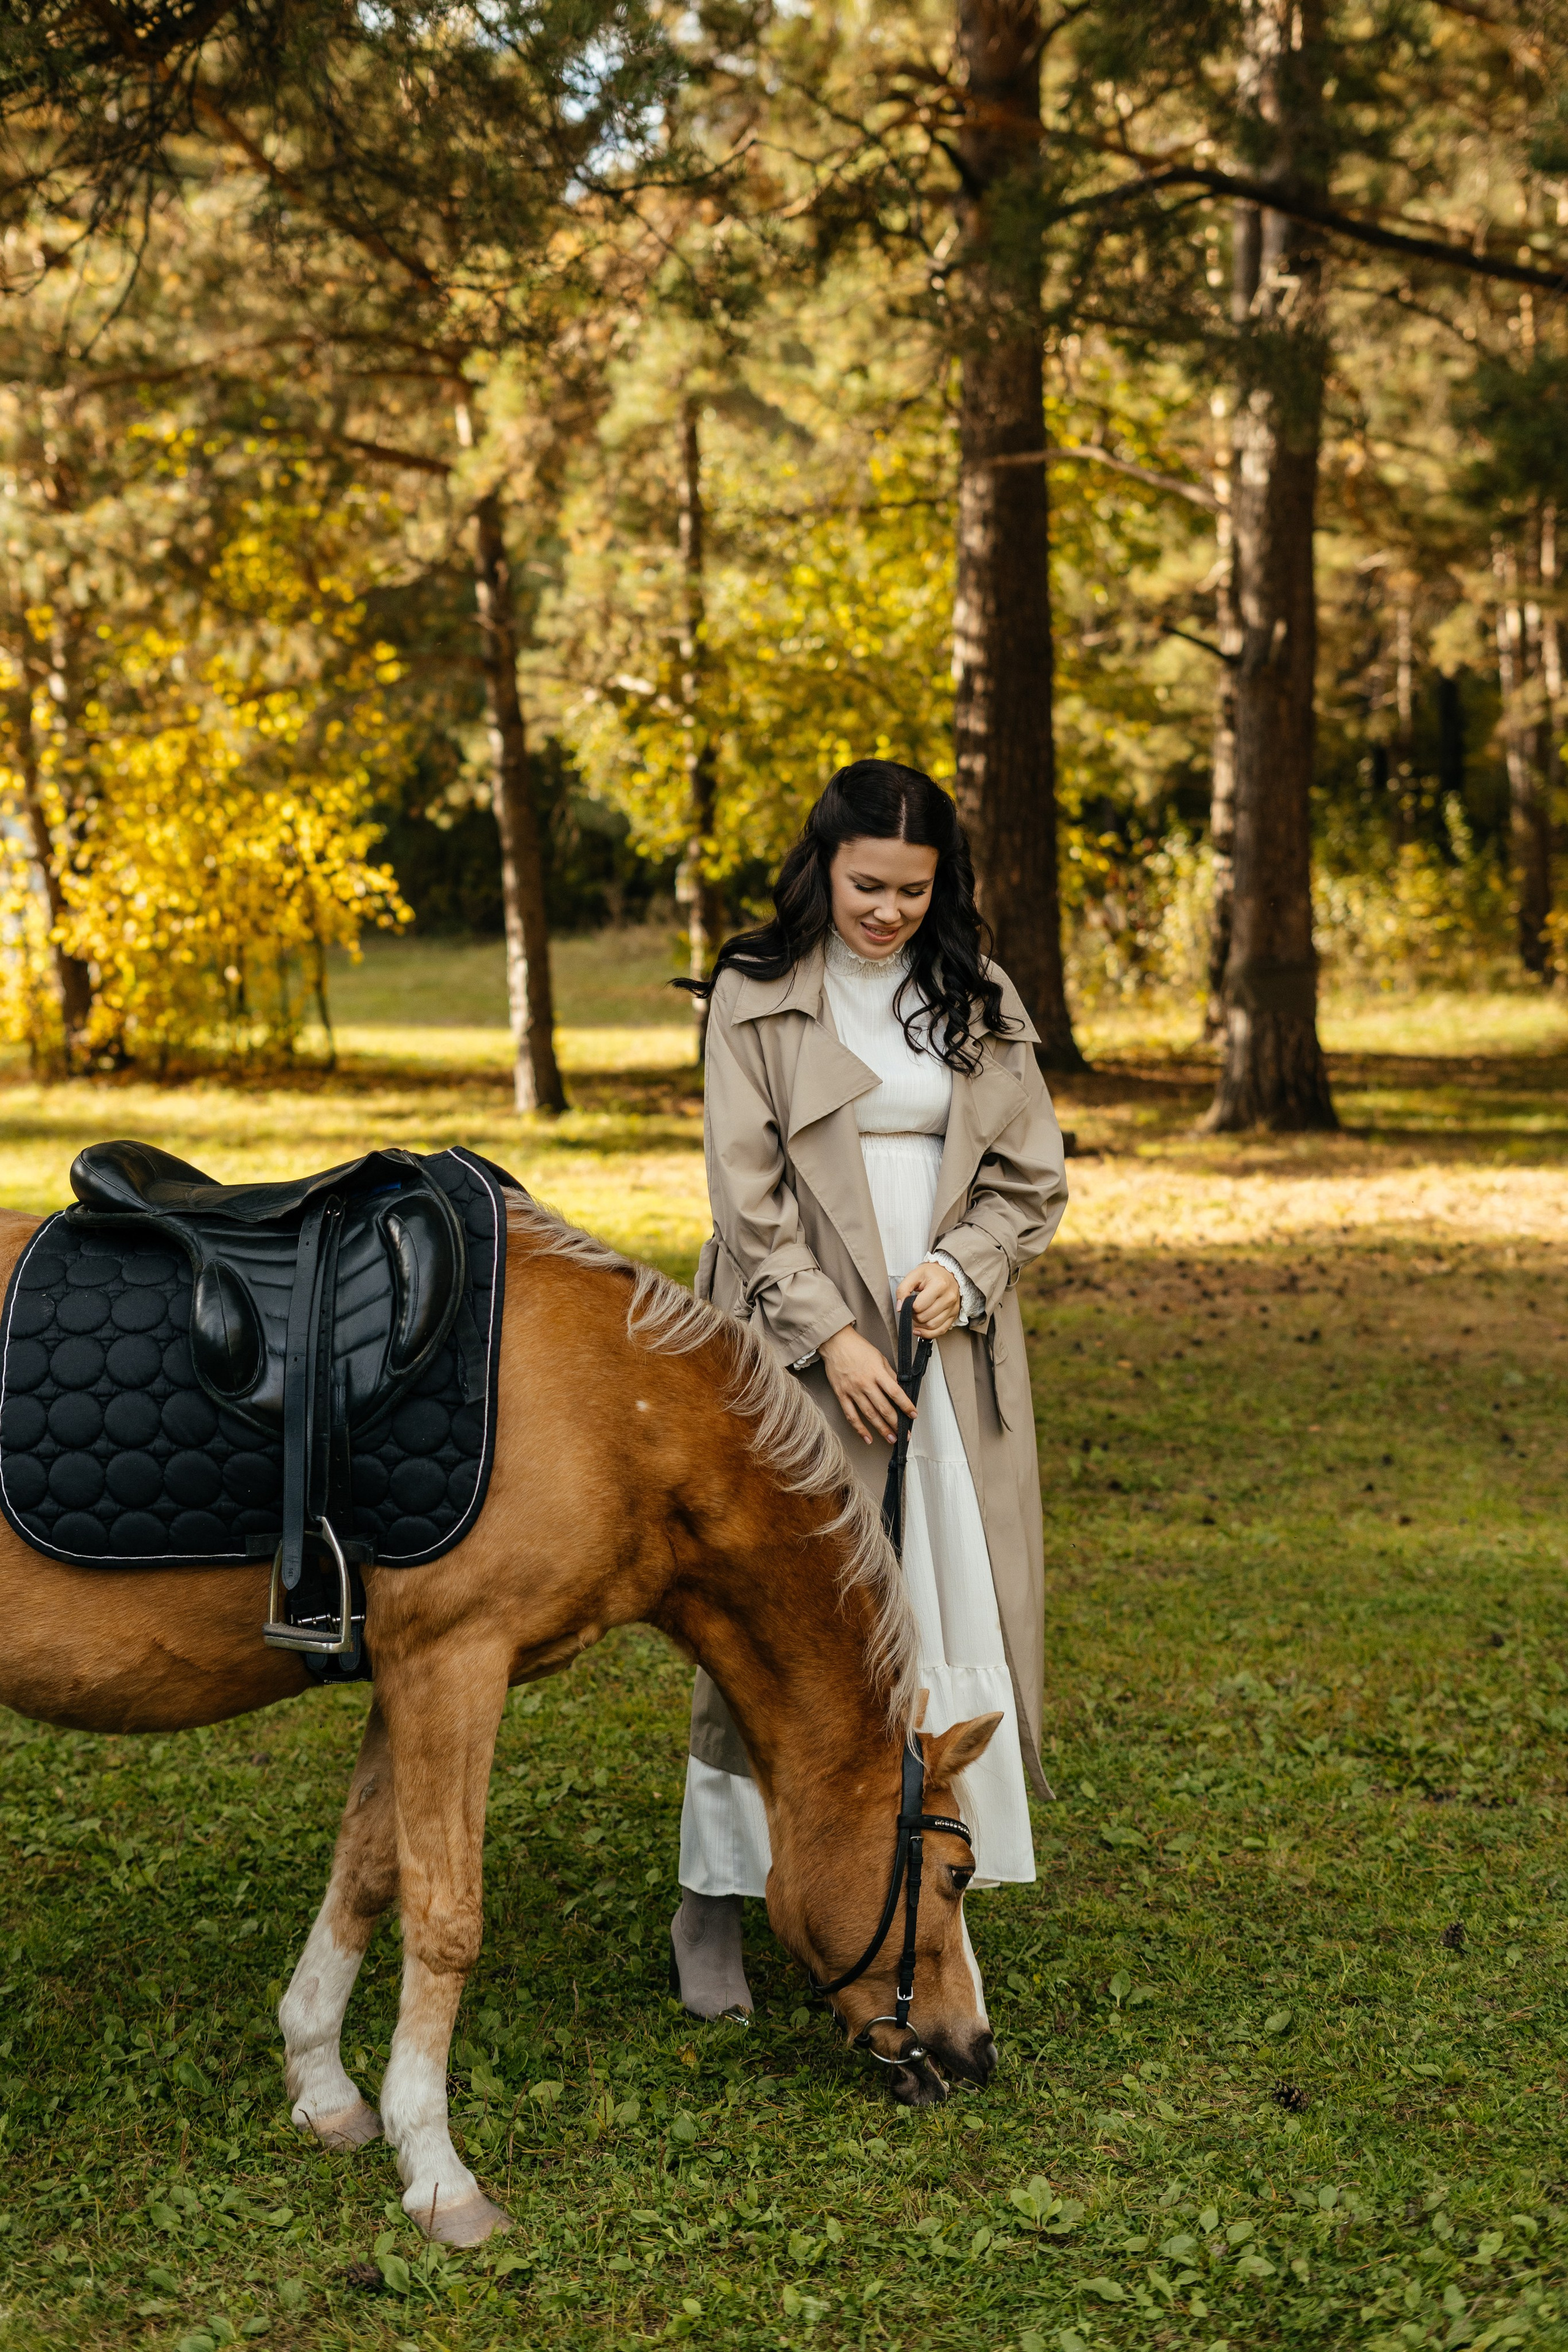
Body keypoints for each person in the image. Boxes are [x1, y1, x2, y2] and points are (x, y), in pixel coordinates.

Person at [668, 758, 1070, 2019]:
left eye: (912, 889)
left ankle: (926, 1875)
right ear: (822, 869)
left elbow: (1030, 1178)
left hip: (948, 1344)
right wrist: (833, 1336)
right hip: (798, 1339)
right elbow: (744, 1198)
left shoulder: (975, 995)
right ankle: (715, 1897)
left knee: (943, 1596)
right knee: (789, 1619)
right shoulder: (755, 992)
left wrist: (967, 1267)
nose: (888, 911)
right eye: (866, 885)